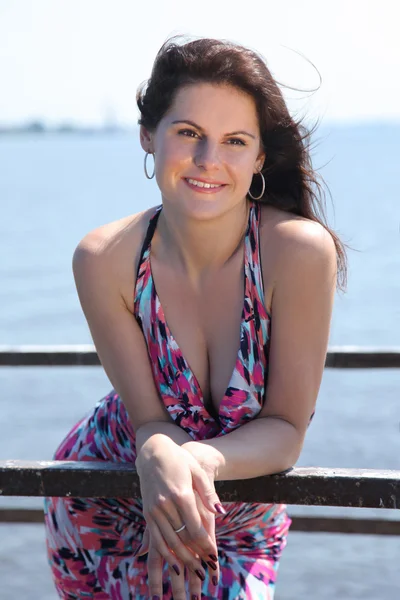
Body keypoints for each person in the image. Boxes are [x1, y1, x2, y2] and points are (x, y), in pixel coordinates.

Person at [44, 36, 345, 600]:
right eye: (188, 133)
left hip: (234, 507)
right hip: (104, 491)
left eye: (234, 140)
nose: (209, 160)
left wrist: (192, 461)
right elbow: (149, 420)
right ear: (147, 137)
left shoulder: (298, 253)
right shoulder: (104, 258)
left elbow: (285, 431)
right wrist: (156, 454)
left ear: (258, 157)